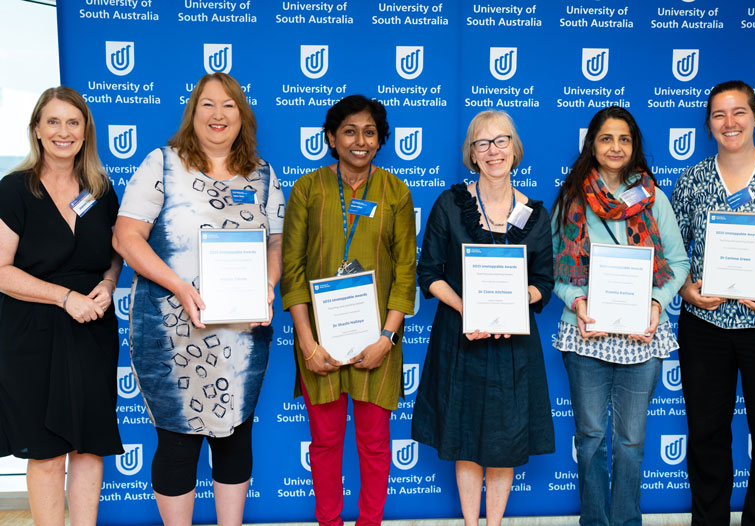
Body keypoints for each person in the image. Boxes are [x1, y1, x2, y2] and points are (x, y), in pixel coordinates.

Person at [112, 72, 284, 526]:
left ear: (242, 115)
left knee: (235, 437)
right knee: (177, 441)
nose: (218, 114)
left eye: (228, 105)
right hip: (172, 331)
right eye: (208, 104)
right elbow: (127, 237)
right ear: (193, 112)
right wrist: (181, 287)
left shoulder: (263, 174)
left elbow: (276, 244)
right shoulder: (162, 164)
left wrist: (267, 286)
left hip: (242, 334)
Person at [411, 110, 555, 526]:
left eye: (501, 141)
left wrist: (512, 301)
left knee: (504, 440)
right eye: (482, 143)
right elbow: (429, 274)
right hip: (461, 337)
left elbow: (543, 283)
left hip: (513, 346)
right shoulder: (450, 205)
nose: (493, 151)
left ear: (515, 148)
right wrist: (466, 307)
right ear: (472, 154)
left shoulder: (536, 215)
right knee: (466, 437)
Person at [281, 94, 416, 526]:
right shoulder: (307, 189)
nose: (361, 141)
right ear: (331, 138)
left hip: (377, 342)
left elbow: (405, 274)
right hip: (319, 343)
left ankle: (370, 522)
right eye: (350, 131)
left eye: (370, 132)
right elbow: (293, 271)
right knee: (324, 444)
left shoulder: (395, 191)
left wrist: (386, 340)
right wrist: (307, 345)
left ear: (381, 140)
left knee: (375, 444)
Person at [550, 106, 689, 526]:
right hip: (586, 332)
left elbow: (679, 262)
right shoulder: (571, 199)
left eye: (623, 139)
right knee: (590, 438)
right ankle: (594, 521)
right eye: (606, 138)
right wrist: (578, 302)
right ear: (592, 144)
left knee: (630, 442)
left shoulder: (653, 197)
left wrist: (655, 303)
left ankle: (627, 522)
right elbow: (556, 265)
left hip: (642, 334)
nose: (615, 147)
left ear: (634, 146)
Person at [671, 80, 755, 526]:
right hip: (706, 327)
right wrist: (687, 290)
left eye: (739, 112)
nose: (730, 123)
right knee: (706, 435)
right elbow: (672, 252)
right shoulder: (692, 180)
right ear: (708, 125)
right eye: (719, 115)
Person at [0, 86, 122, 525]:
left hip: (91, 331)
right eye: (53, 121)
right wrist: (64, 297)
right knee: (48, 452)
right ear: (36, 130)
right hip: (32, 334)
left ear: (86, 131)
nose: (63, 131)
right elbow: (1, 271)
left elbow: (114, 254)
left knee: (89, 448)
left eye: (73, 122)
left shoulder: (100, 190)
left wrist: (108, 285)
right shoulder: (14, 190)